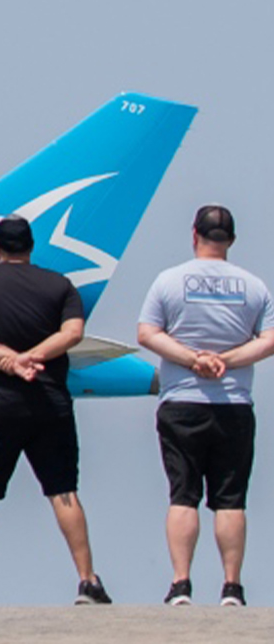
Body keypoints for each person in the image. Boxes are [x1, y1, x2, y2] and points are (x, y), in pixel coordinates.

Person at [0, 215, 110, 606]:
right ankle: (87, 581)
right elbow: (73, 332)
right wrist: (33, 356)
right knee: (63, 492)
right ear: (31, 247)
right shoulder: (60, 285)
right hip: (49, 402)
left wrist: (6, 358)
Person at [137, 205, 274, 606]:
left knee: (183, 495)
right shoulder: (253, 286)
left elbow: (147, 333)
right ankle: (232, 586)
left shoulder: (169, 281)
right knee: (231, 499)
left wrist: (191, 359)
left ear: (194, 234)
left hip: (182, 400)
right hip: (232, 402)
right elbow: (268, 339)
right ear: (230, 240)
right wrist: (226, 360)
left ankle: (181, 583)